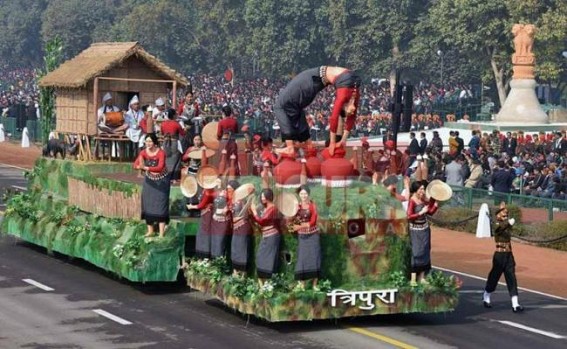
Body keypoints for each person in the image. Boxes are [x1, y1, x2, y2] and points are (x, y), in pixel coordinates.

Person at [274, 66, 361, 156]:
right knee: (284, 105)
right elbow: (334, 117)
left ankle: (293, 146)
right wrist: (332, 143)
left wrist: (343, 141)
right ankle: (300, 144)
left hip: (317, 79)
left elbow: (351, 118)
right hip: (315, 78)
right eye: (347, 113)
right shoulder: (347, 94)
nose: (350, 113)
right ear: (344, 105)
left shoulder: (351, 94)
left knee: (281, 106)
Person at [483, 203, 524, 312]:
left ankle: (515, 304)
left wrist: (507, 220)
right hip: (499, 255)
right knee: (494, 277)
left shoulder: (506, 225)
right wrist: (507, 222)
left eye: (507, 216)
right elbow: (498, 228)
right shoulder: (497, 224)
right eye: (504, 216)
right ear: (498, 216)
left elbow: (506, 229)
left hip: (508, 254)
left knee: (511, 277)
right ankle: (486, 296)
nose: (506, 217)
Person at [133, 134, 170, 238]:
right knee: (147, 203)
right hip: (149, 181)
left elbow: (160, 167)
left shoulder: (161, 153)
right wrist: (138, 166)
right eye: (146, 141)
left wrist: (145, 168)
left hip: (161, 181)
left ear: (154, 142)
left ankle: (162, 233)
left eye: (150, 141)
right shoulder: (143, 152)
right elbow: (135, 164)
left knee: (160, 203)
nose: (148, 144)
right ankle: (150, 230)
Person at [407, 180, 439, 286]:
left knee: (425, 252)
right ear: (416, 190)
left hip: (425, 229)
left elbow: (430, 212)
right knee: (416, 252)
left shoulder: (424, 200)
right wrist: (420, 212)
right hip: (415, 230)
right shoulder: (412, 201)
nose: (423, 191)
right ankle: (413, 278)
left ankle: (422, 277)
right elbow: (409, 216)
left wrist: (436, 205)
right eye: (420, 189)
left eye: (423, 189)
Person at [293, 185, 321, 289]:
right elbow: (291, 220)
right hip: (302, 237)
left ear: (308, 194)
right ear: (299, 195)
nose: (303, 195)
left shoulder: (313, 205)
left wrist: (300, 226)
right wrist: (294, 210)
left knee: (315, 258)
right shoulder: (297, 206)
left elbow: (313, 222)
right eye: (301, 194)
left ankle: (314, 285)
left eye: (305, 193)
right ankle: (302, 284)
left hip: (313, 235)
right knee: (302, 259)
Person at [250, 188, 280, 284]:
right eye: (261, 196)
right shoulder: (267, 207)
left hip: (272, 236)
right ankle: (262, 284)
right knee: (260, 257)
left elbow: (262, 221)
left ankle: (268, 283)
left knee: (269, 259)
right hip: (266, 235)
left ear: (268, 197)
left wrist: (254, 211)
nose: (262, 198)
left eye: (263, 196)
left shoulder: (273, 208)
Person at [231, 184, 254, 276]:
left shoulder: (247, 201)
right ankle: (235, 271)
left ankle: (243, 273)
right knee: (235, 247)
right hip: (236, 228)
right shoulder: (235, 201)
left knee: (242, 247)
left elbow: (247, 215)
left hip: (243, 227)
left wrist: (238, 219)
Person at [187, 187, 216, 259]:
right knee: (202, 233)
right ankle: (202, 253)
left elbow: (202, 204)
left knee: (205, 233)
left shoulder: (208, 191)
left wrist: (192, 206)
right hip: (204, 214)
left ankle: (204, 253)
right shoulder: (205, 190)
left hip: (207, 215)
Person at [161, 108, 185, 181]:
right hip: (174, 142)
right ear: (174, 115)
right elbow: (182, 133)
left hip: (165, 142)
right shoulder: (176, 124)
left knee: (167, 158)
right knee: (176, 159)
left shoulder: (163, 124)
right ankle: (174, 177)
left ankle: (166, 175)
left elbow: (162, 132)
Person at [217, 104, 239, 175]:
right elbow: (236, 131)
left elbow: (219, 134)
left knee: (223, 159)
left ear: (223, 113)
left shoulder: (221, 122)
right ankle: (233, 174)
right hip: (232, 142)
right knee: (233, 158)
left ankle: (221, 174)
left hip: (224, 142)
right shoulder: (234, 121)